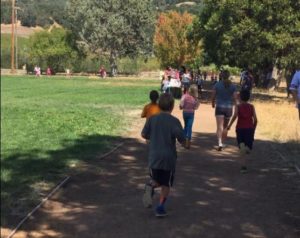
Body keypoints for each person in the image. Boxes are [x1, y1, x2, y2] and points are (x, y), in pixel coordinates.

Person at [141, 93, 185, 217]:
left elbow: (144, 134)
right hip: (168, 158)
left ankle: (150, 186)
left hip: (154, 156)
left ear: (159, 105)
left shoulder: (152, 119)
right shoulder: (174, 121)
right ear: (172, 106)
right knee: (166, 183)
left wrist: (153, 137)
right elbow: (181, 138)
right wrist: (186, 143)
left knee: (156, 179)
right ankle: (160, 207)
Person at [227, 90, 258, 173]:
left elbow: (235, 116)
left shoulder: (238, 106)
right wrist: (253, 129)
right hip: (249, 129)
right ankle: (243, 165)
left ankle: (243, 167)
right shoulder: (252, 106)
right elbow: (255, 120)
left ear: (240, 98)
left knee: (241, 147)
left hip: (240, 129)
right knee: (248, 148)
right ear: (249, 97)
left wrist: (229, 125)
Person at [211, 70, 238, 151]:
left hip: (219, 107)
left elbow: (213, 96)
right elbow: (235, 98)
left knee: (219, 127)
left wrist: (212, 103)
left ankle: (219, 143)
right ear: (229, 76)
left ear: (221, 76)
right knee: (225, 127)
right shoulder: (233, 86)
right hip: (229, 108)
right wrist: (236, 105)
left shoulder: (217, 84)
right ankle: (222, 142)